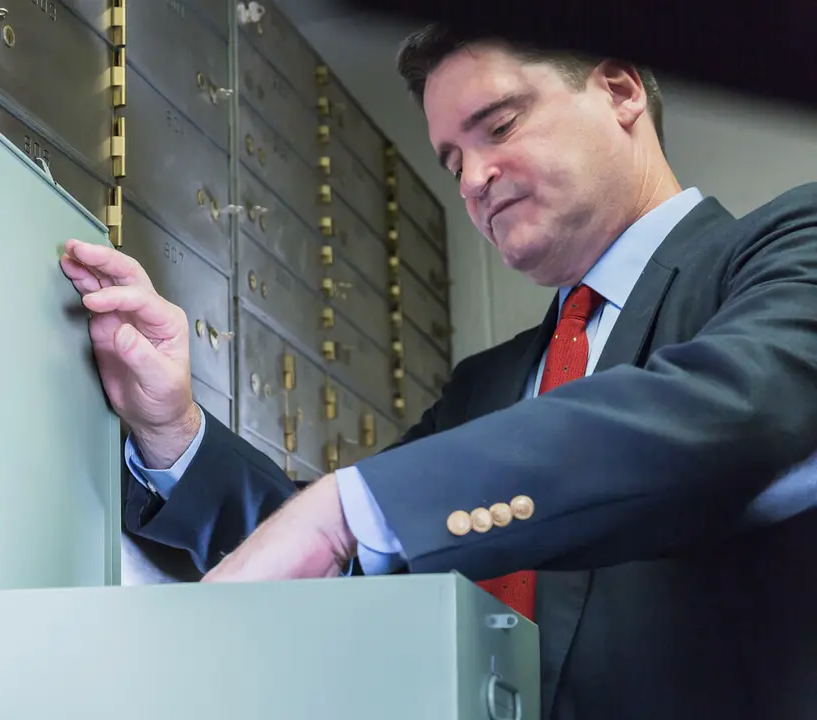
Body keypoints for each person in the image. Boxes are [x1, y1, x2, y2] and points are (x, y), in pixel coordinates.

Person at [60, 23, 817, 720]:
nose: (473, 180)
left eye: (500, 125)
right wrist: (173, 432)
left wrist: (345, 509)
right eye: (452, 160)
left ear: (619, 93)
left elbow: (739, 410)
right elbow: (331, 556)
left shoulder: (789, 244)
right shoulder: (484, 386)